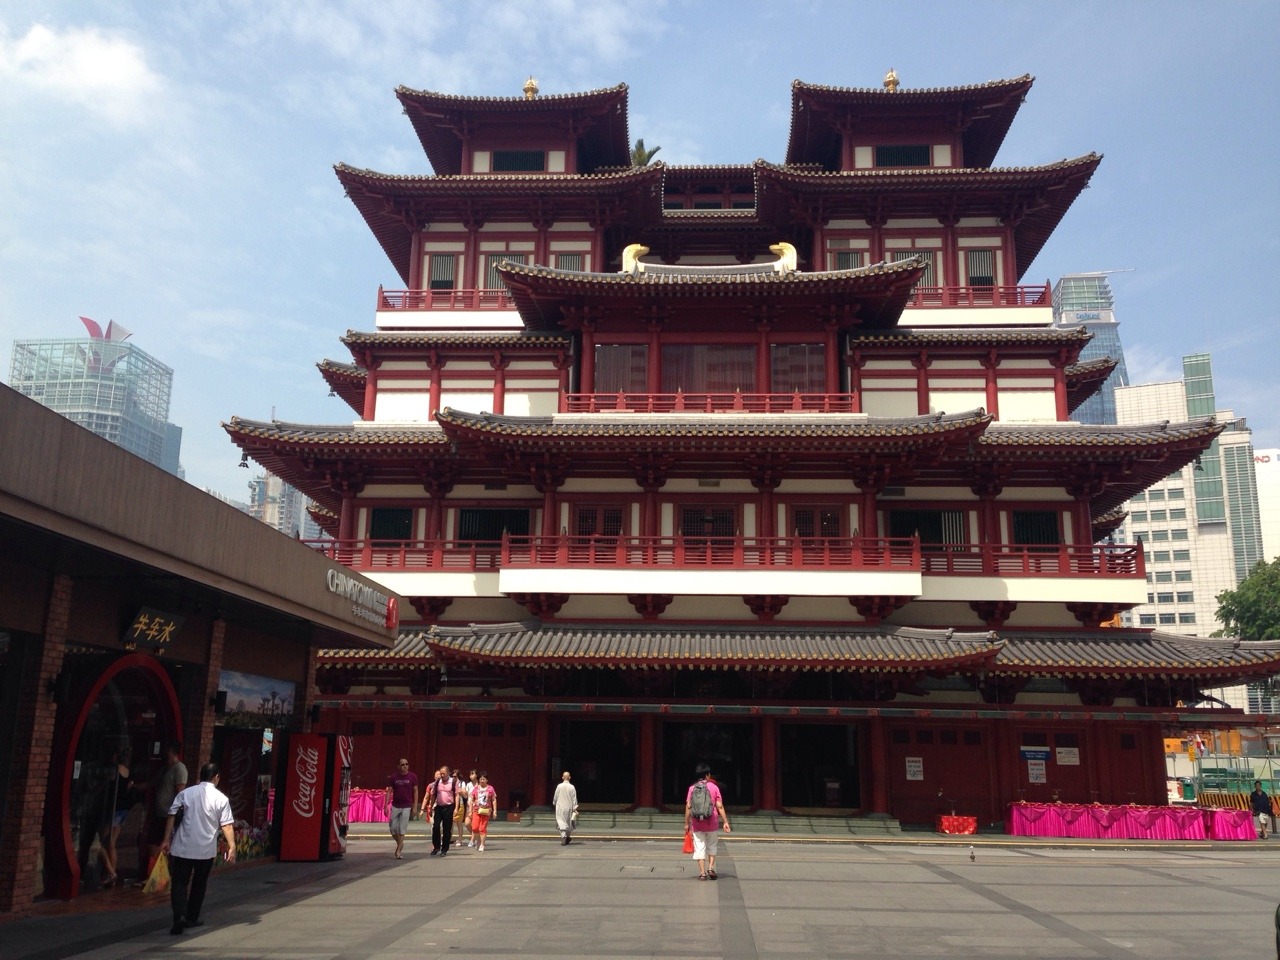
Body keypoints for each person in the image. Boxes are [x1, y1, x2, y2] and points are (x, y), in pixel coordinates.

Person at [160, 761, 235, 936]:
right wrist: (232, 846)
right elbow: (227, 825)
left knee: (179, 882)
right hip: (205, 849)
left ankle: (179, 915)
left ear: (200, 776)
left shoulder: (185, 793)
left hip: (183, 846)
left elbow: (171, 815)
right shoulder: (221, 799)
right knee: (199, 883)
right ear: (216, 777)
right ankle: (192, 917)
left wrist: (166, 839)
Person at [683, 762, 730, 880]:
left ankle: (702, 873)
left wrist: (686, 823)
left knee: (699, 846)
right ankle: (710, 868)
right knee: (712, 845)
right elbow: (719, 806)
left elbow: (688, 807)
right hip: (712, 822)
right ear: (708, 775)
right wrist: (725, 822)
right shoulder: (714, 787)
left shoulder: (692, 788)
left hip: (697, 823)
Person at [97, 746, 135, 887]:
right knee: (112, 842)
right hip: (122, 810)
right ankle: (110, 877)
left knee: (100, 843)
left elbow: (105, 787)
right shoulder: (128, 772)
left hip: (112, 809)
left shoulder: (114, 770)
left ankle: (111, 872)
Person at [148, 740, 188, 865]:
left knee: (162, 845)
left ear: (170, 750)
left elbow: (180, 793)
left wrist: (175, 813)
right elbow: (153, 783)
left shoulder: (179, 768)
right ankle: (154, 871)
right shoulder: (166, 768)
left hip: (167, 815)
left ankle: (160, 872)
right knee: (153, 843)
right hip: (159, 813)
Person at [420, 766, 461, 856]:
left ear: (448, 773)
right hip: (438, 807)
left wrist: (456, 808)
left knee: (447, 829)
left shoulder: (453, 781)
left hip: (449, 807)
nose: (442, 775)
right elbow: (433, 795)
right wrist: (431, 807)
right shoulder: (437, 782)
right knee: (435, 826)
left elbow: (457, 795)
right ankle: (436, 847)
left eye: (444, 774)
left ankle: (444, 849)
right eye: (441, 773)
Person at [385, 758, 418, 859]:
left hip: (407, 806)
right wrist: (386, 805)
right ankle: (400, 843)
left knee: (402, 828)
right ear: (398, 766)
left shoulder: (412, 776)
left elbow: (416, 791)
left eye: (406, 764)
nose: (405, 766)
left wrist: (415, 806)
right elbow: (389, 791)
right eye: (403, 764)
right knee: (392, 828)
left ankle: (398, 850)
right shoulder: (394, 777)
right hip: (396, 805)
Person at [470, 773, 496, 852]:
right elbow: (471, 799)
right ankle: (478, 840)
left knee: (482, 828)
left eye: (483, 779)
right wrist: (470, 810)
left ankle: (482, 844)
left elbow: (494, 799)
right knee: (475, 827)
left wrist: (494, 811)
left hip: (486, 810)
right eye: (480, 779)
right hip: (476, 810)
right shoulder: (476, 788)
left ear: (487, 780)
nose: (482, 781)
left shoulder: (490, 789)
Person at [552, 770, 579, 845]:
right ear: (569, 777)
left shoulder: (559, 786)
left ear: (562, 777)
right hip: (569, 807)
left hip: (560, 806)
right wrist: (575, 807)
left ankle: (563, 836)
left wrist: (554, 802)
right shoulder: (572, 787)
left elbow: (556, 796)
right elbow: (574, 799)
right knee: (568, 823)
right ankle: (567, 836)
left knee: (560, 822)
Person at [462, 769, 479, 846]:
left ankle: (472, 840)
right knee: (467, 823)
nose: (471, 776)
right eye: (470, 774)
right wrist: (462, 792)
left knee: (474, 824)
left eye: (473, 774)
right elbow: (466, 796)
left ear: (476, 775)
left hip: (477, 807)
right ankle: (475, 836)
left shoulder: (479, 784)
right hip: (469, 806)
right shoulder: (468, 785)